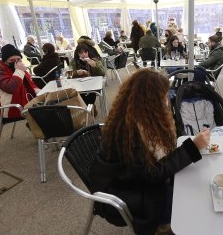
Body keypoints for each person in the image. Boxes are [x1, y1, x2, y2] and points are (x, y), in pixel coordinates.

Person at [88, 69, 210, 235]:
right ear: (150, 102)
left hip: (132, 183)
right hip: (132, 197)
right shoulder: (130, 134)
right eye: (164, 96)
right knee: (195, 198)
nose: (167, 100)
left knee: (194, 183)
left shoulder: (133, 117)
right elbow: (154, 174)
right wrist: (193, 147)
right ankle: (165, 227)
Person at [0, 44, 40, 119]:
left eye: (18, 59)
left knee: (52, 103)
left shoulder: (16, 68)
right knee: (44, 113)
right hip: (11, 108)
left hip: (26, 101)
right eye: (12, 60)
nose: (16, 62)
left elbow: (30, 84)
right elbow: (10, 88)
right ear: (5, 61)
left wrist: (39, 91)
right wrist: (19, 71)